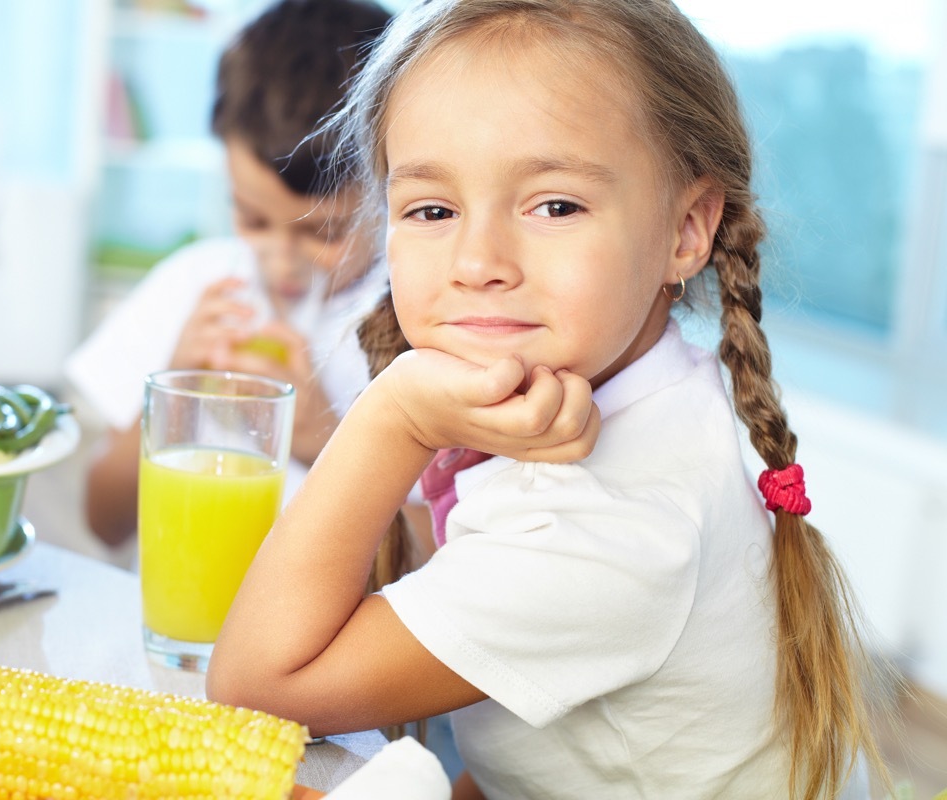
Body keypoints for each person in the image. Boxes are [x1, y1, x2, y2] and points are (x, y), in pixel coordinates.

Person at [206, 2, 892, 798]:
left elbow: (255, 687)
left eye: (555, 206)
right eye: (433, 209)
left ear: (686, 229)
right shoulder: (650, 388)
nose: (478, 261)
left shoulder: (608, 525)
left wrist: (391, 418)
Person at [64, 0, 394, 548]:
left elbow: (429, 556)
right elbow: (105, 519)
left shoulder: (412, 318)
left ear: (392, 189)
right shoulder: (197, 287)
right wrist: (173, 395)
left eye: (325, 233)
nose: (281, 258)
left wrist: (322, 438)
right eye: (252, 217)